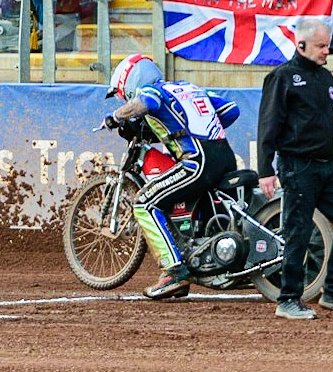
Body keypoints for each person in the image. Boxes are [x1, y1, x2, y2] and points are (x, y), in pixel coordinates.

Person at [103, 54, 240, 300]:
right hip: (224, 155)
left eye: (124, 94)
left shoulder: (152, 90)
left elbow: (145, 102)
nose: (126, 98)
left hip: (197, 161)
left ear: (130, 82)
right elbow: (231, 110)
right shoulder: (187, 88)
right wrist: (192, 128)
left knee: (144, 202)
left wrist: (117, 116)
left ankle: (174, 271)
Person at [257, 18, 333, 320]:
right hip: (296, 166)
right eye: (320, 46)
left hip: (327, 168)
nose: (326, 51)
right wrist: (266, 169)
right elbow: (268, 124)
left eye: (327, 45)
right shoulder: (282, 77)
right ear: (300, 45)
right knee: (298, 232)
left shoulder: (327, 80)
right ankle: (288, 299)